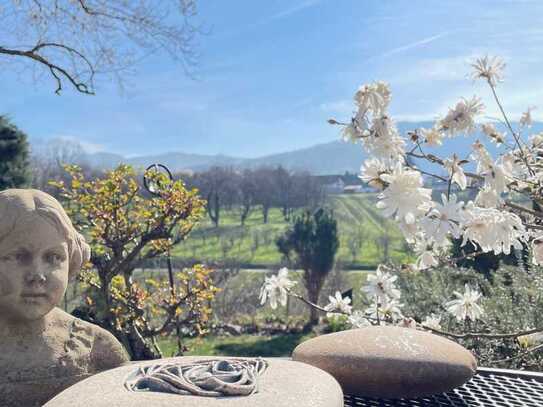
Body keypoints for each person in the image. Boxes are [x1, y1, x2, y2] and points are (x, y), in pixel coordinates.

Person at [0, 189, 130, 407]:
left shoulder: (95, 348)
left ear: (72, 260)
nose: (37, 276)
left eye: (53, 258)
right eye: (19, 257)